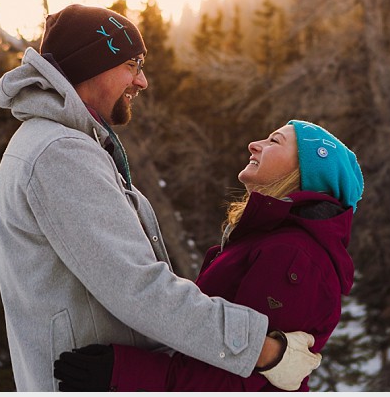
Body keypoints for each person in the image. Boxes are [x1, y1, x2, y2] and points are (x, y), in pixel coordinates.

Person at [0, 4, 321, 392]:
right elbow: (139, 288)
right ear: (91, 66)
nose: (142, 81)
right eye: (132, 65)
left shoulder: (61, 145)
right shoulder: (61, 152)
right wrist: (265, 351)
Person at [54, 119, 363, 392]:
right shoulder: (266, 241)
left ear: (304, 173)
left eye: (274, 141)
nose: (254, 145)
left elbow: (242, 381)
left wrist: (121, 372)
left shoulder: (294, 257)